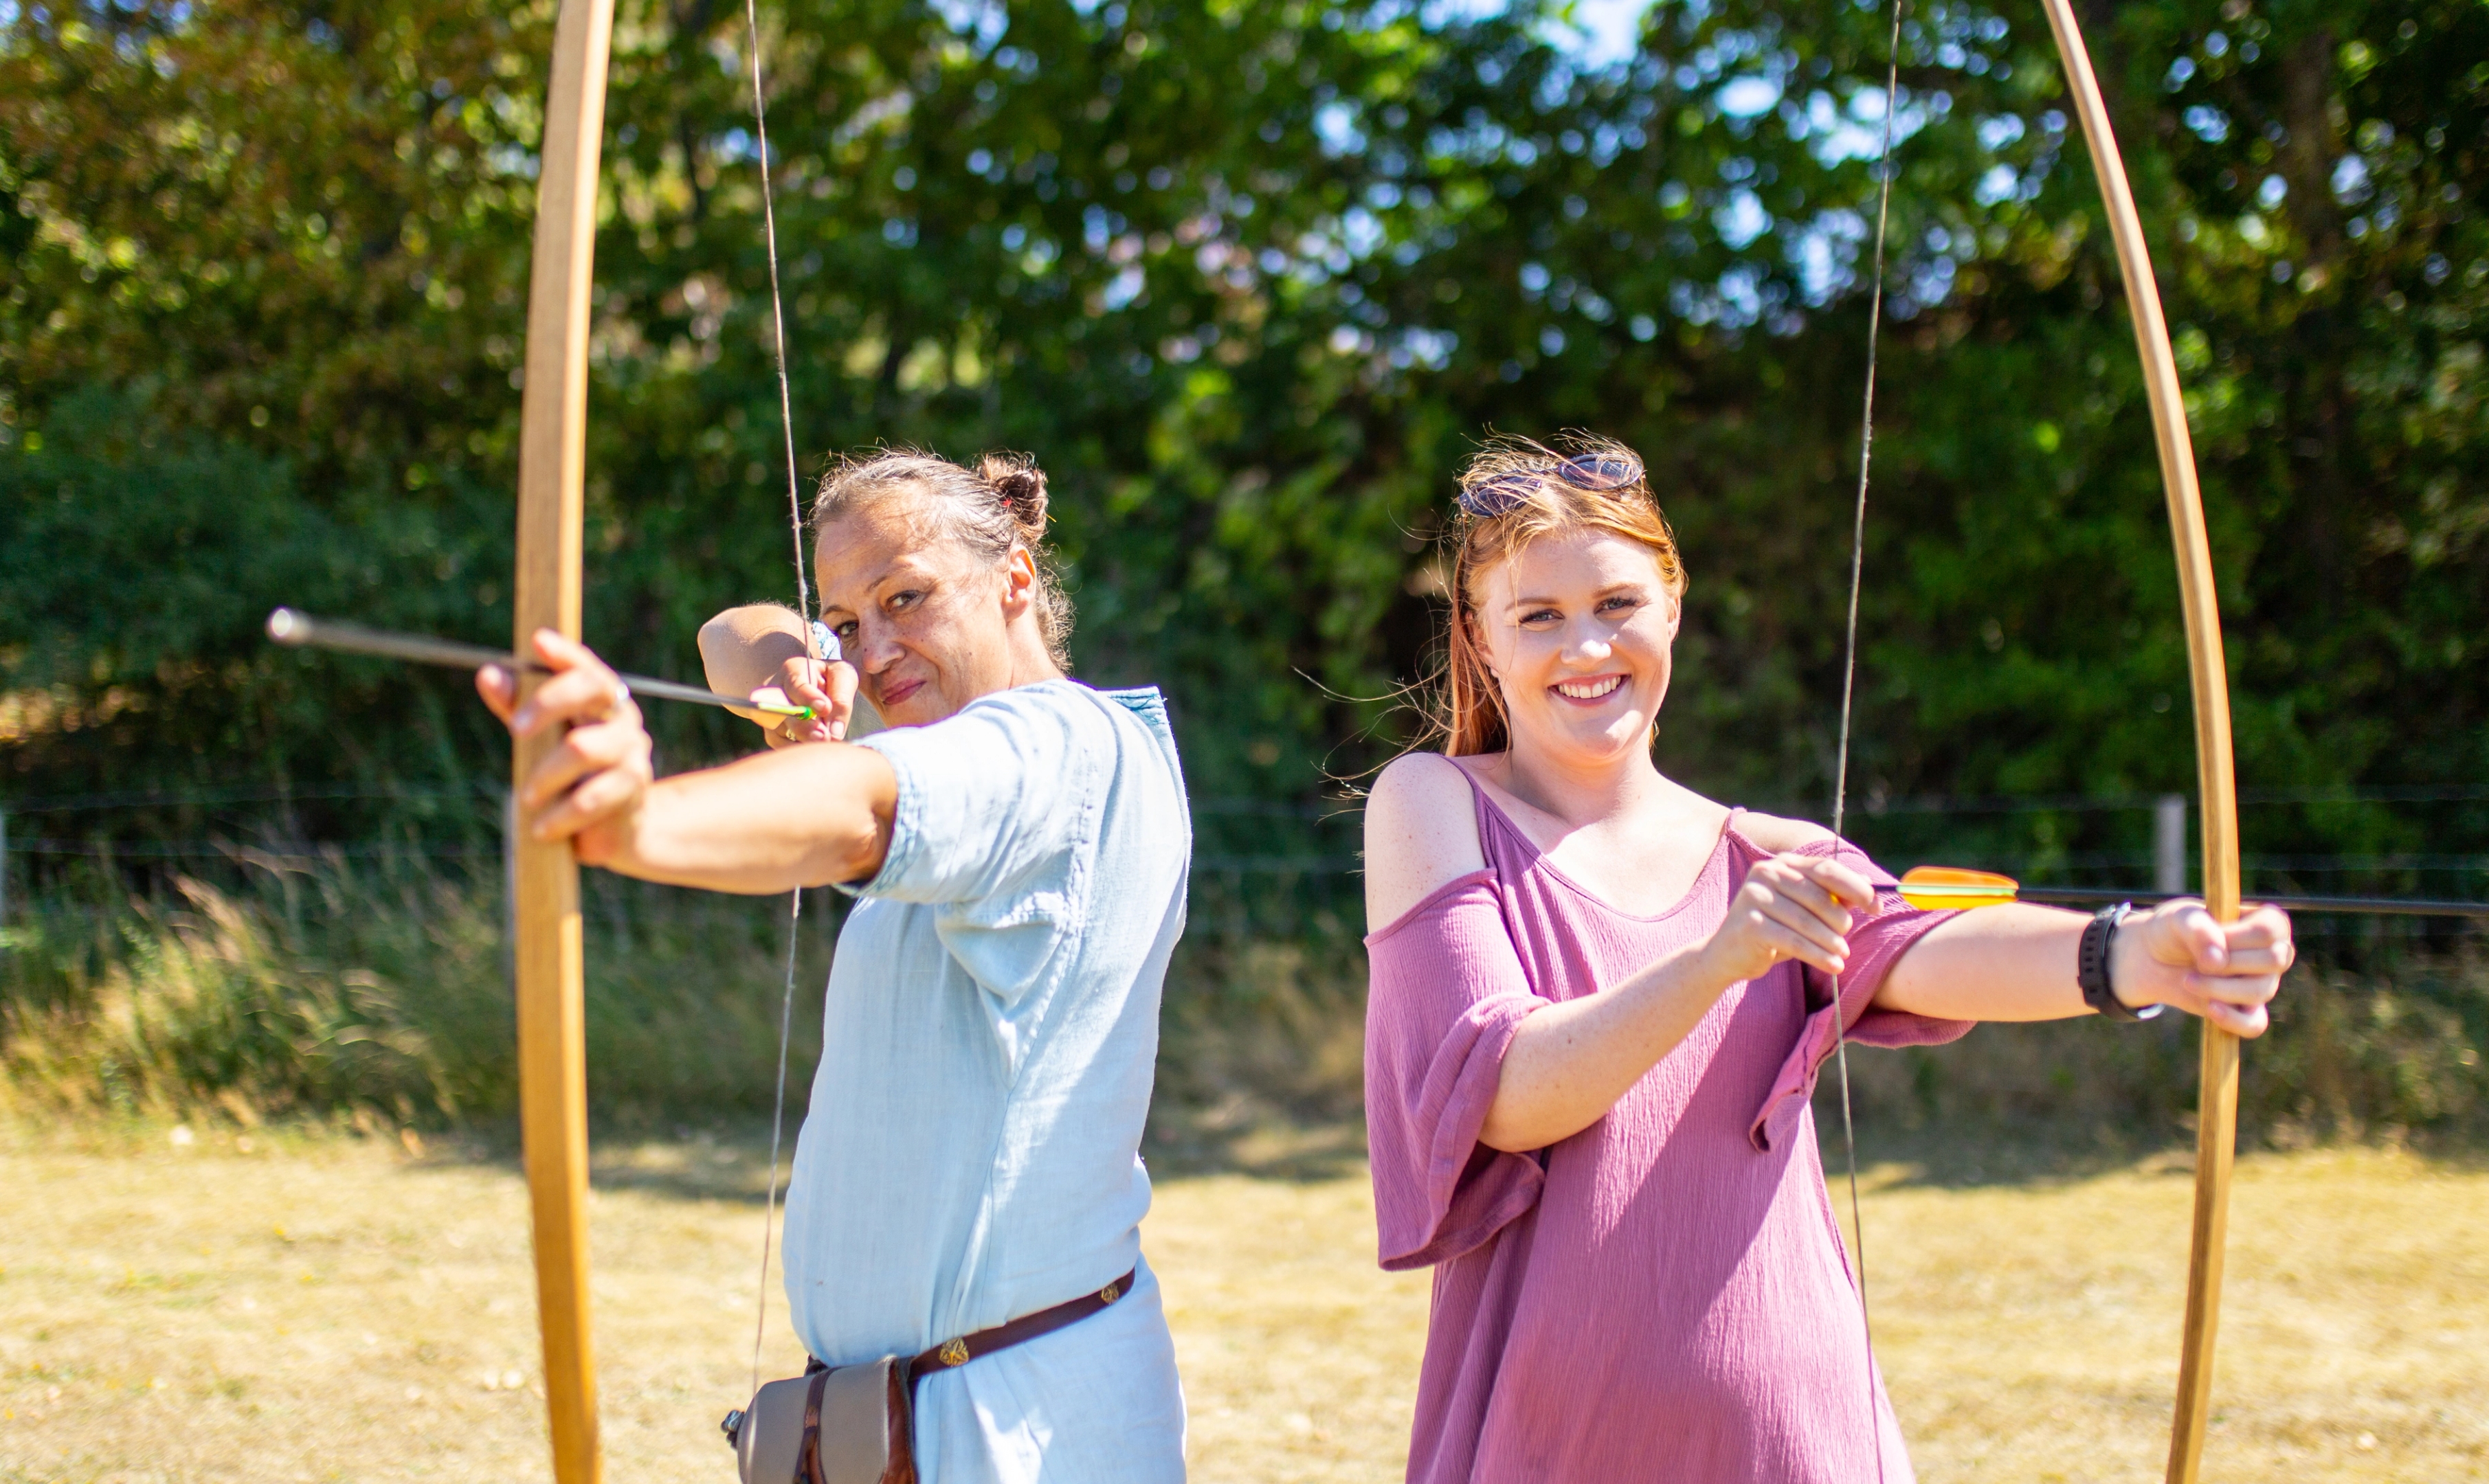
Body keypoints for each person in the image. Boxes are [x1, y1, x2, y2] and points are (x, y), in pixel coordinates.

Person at [1361, 436, 2294, 1483]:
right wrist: (1716, 960)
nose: (1586, 646)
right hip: (1553, 1443)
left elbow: (1925, 945)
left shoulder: (1773, 856)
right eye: (1539, 616)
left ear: (1673, 609)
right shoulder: (1432, 804)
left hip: (1803, 1436)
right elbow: (1505, 1093)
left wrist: (2134, 953)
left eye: (1618, 603)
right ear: (1480, 639)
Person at [478, 449, 1190, 1483]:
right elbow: (728, 636)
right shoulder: (957, 737)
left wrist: (632, 822)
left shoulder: (1057, 747)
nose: (878, 649)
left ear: (1014, 578)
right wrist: (797, 666)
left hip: (1016, 1430)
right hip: (905, 1412)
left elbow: (863, 810)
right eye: (849, 623)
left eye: (907, 598)